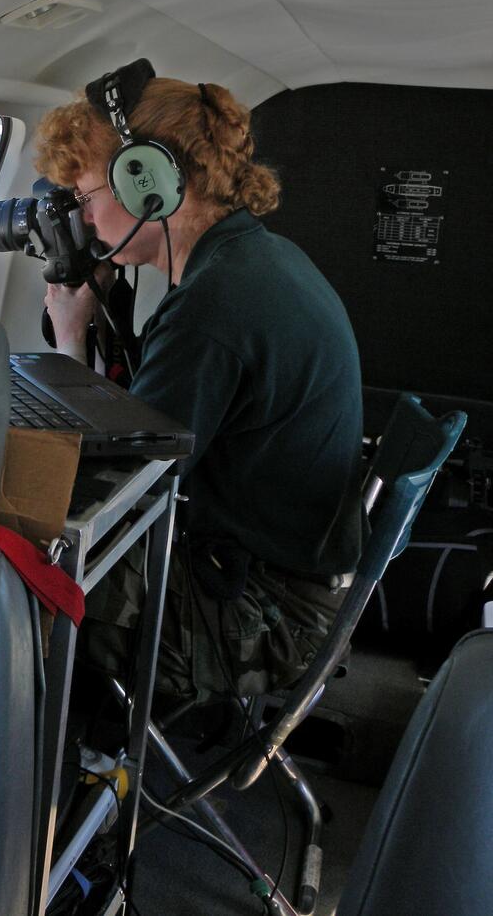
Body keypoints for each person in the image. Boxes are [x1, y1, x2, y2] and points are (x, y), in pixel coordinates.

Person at [37, 67, 364, 701]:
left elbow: (110, 493)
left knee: (17, 580)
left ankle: (62, 781)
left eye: (84, 196)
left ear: (149, 184)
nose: (81, 217)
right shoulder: (252, 259)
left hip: (261, 618)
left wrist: (71, 339)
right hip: (286, 577)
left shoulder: (213, 309)